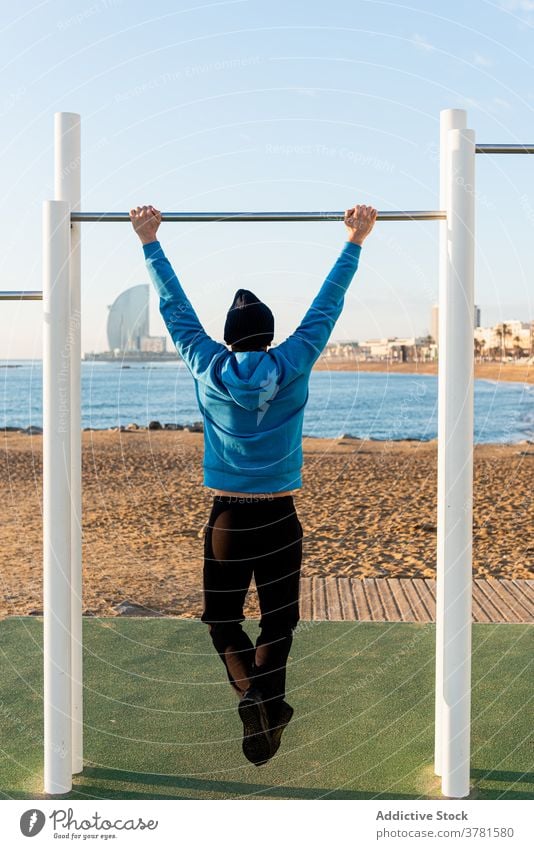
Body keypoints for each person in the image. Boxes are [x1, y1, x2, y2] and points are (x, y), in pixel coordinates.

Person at [130, 203, 377, 766]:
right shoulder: (294, 359)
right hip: (279, 517)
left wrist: (150, 242)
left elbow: (176, 310)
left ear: (229, 337)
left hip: (228, 519)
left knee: (222, 622)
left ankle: (256, 698)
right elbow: (326, 306)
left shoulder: (205, 362)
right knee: (279, 621)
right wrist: (355, 240)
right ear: (268, 336)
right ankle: (266, 702)